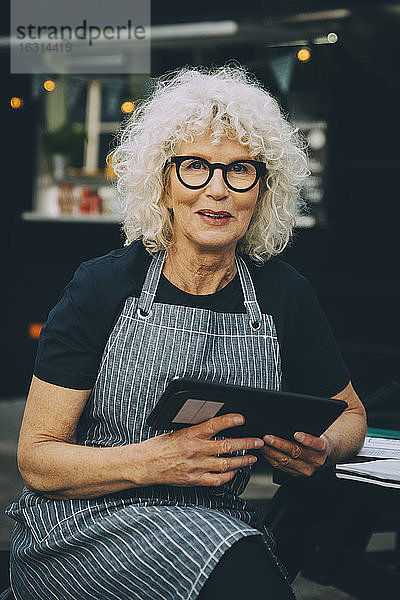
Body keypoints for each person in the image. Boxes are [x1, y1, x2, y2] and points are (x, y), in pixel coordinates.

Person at [6, 64, 367, 600]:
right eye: (195, 167)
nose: (217, 190)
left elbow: (354, 417)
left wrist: (322, 446)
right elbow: (38, 460)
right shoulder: (103, 286)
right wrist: (156, 459)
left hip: (215, 521)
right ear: (163, 182)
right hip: (83, 526)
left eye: (240, 170)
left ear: (263, 188)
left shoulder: (285, 294)